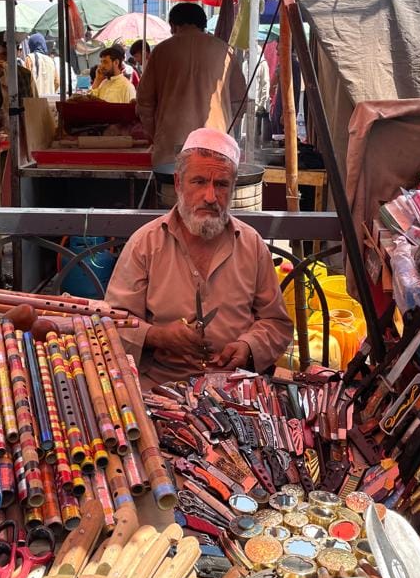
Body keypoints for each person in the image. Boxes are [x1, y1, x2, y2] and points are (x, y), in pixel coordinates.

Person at [105, 128, 292, 390]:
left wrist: (248, 347)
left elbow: (277, 323)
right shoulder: (145, 243)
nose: (210, 197)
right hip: (161, 387)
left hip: (234, 388)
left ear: (233, 188)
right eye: (200, 182)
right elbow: (111, 325)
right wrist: (157, 337)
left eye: (222, 184)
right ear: (179, 183)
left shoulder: (251, 244)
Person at [137, 3, 247, 166]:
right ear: (203, 24)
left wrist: (158, 135)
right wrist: (226, 131)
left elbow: (144, 104)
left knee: (173, 190)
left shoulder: (161, 51)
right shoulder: (224, 51)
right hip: (215, 144)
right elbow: (240, 101)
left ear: (173, 25)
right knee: (212, 189)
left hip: (172, 147)